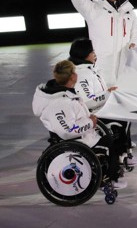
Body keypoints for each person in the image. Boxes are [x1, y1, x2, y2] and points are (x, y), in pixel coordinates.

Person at [32, 60, 127, 189]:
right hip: (78, 139)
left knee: (111, 135)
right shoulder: (60, 102)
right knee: (109, 143)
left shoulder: (63, 93)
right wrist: (90, 123)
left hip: (83, 134)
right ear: (72, 76)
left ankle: (113, 173)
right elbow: (67, 130)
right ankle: (110, 178)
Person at [68, 38, 137, 167]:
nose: (95, 54)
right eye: (92, 52)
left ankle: (125, 151)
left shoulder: (91, 69)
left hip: (99, 109)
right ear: (85, 54)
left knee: (126, 113)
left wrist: (109, 92)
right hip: (92, 114)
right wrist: (108, 94)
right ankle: (121, 155)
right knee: (122, 119)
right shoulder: (82, 74)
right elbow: (88, 101)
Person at [70, 0, 137, 86]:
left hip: (124, 64)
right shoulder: (93, 9)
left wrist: (134, 44)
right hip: (101, 65)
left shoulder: (128, 11)